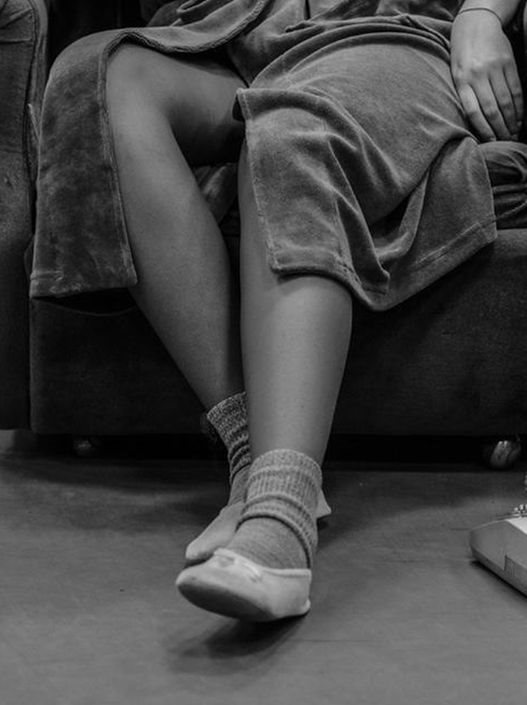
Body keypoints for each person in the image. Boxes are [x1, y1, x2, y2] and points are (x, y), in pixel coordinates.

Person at [31, 0, 527, 621]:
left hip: (384, 36)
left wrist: (482, 12)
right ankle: (254, 456)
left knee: (292, 126)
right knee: (98, 79)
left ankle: (280, 521)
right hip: (233, 31)